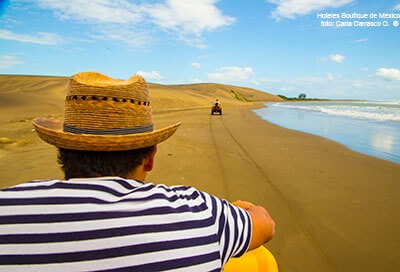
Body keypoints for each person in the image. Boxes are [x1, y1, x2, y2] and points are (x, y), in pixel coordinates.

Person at [0, 72, 275, 271]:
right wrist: (233, 210)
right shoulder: (199, 211)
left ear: (61, 150)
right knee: (258, 259)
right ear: (150, 158)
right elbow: (265, 225)